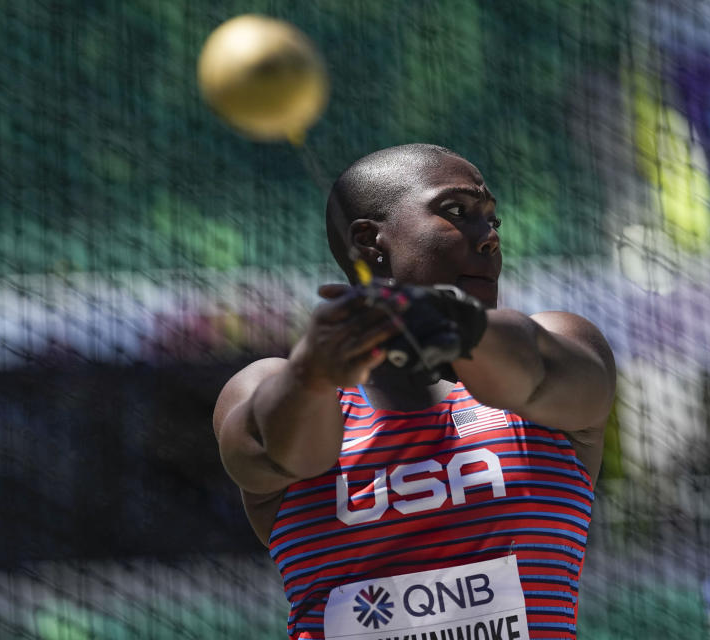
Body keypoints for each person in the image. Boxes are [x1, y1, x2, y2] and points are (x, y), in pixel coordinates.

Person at [213, 144, 616, 640]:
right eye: (456, 212)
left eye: (493, 220)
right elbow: (279, 453)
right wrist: (314, 374)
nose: (489, 237)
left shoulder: (560, 341)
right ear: (368, 241)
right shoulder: (270, 386)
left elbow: (531, 369)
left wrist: (455, 324)